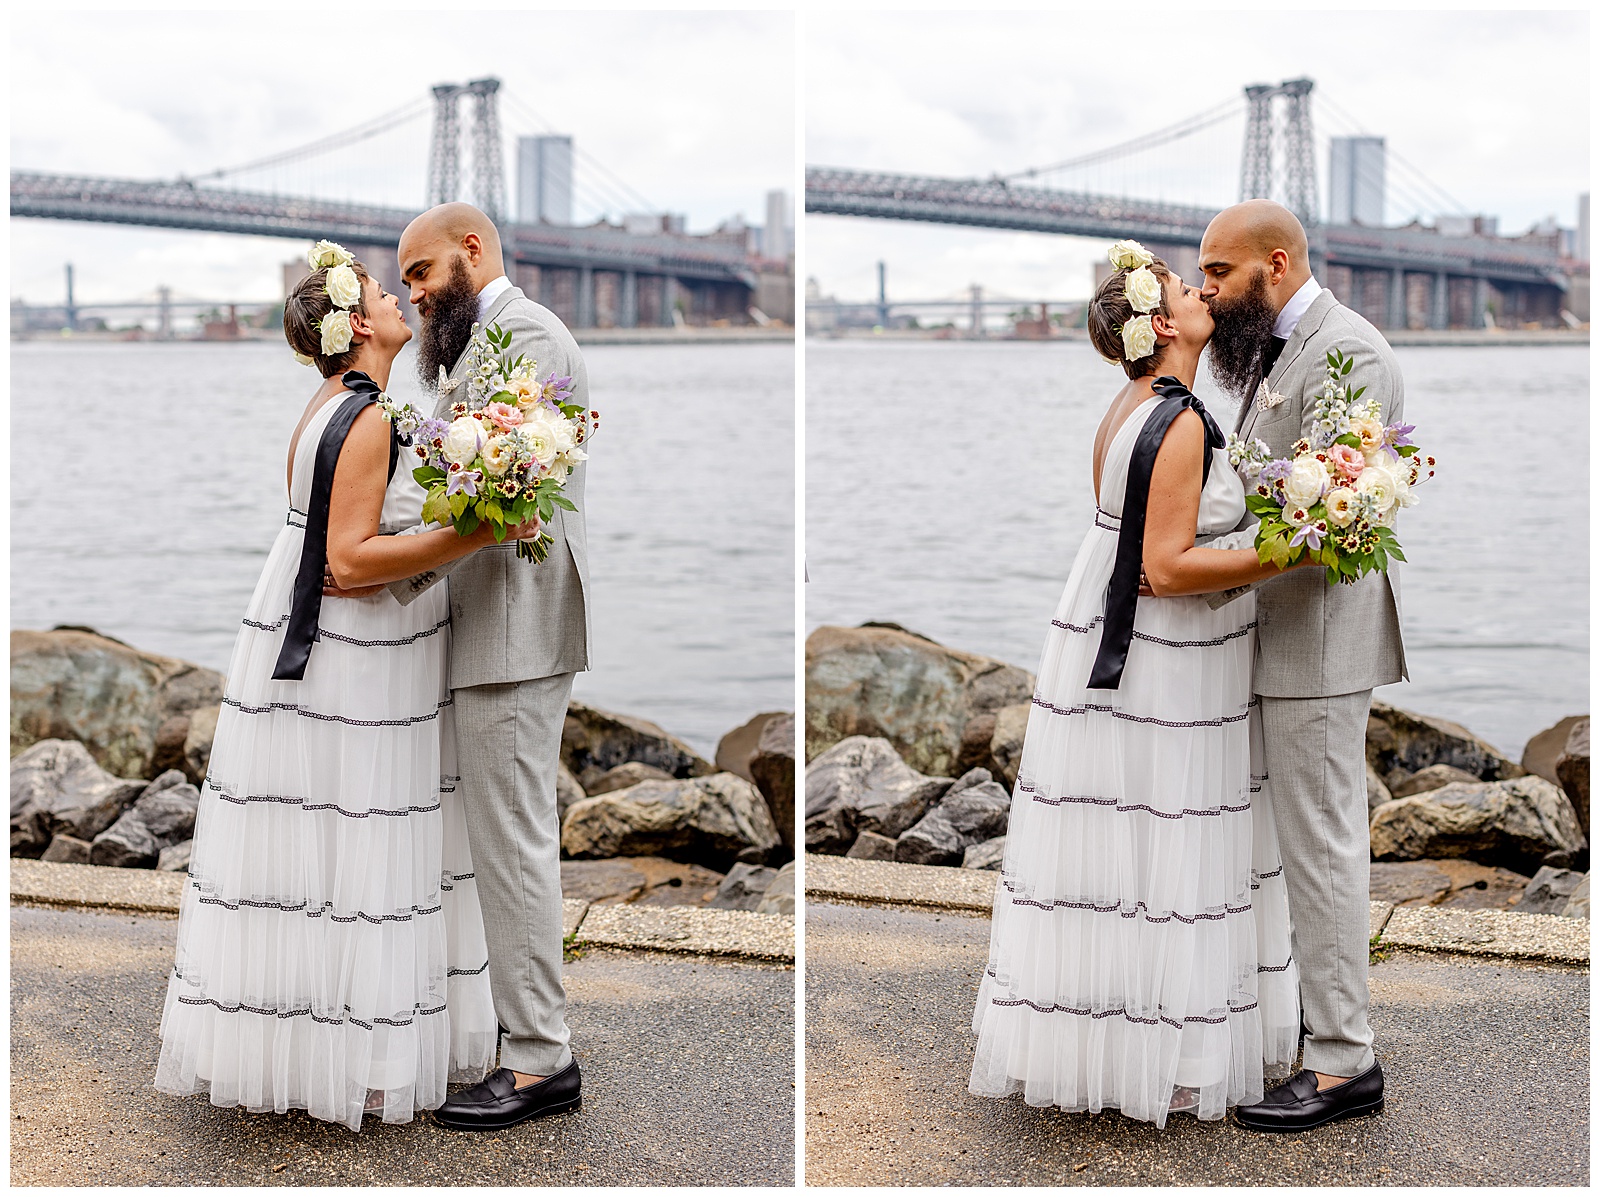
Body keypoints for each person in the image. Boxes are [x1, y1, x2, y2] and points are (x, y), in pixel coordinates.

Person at [155, 247, 534, 1131]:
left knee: (315, 839)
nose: (402, 298)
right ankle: (361, 1058)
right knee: (362, 837)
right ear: (358, 325)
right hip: (353, 655)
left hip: (305, 641)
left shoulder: (325, 407)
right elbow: (350, 562)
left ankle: (312, 1045)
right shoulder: (365, 419)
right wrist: (477, 532)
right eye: (381, 291)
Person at [968, 241, 1304, 1128]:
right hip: (1171, 654)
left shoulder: (1125, 407)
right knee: (1177, 836)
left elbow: (1120, 537)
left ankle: (1119, 1038)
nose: (1205, 294)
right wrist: (1289, 551)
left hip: (1107, 635)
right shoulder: (1183, 420)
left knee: (1125, 836)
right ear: (1161, 325)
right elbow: (1164, 563)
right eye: (1190, 290)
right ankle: (1181, 1059)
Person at [384, 203, 591, 1131]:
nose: (413, 292)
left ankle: (542, 1060)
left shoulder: (528, 334)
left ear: (473, 250)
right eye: (405, 280)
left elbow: (505, 498)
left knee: (512, 846)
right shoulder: (480, 339)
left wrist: (378, 569)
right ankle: (520, 1034)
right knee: (505, 839)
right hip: (488, 619)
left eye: (423, 271)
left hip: (513, 624)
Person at [1201, 199, 1405, 1132]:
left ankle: (1341, 1063)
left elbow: (1336, 518)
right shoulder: (1258, 345)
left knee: (1322, 851)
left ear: (1274, 265)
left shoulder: (1350, 350)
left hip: (1316, 643)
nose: (1206, 289)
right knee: (1290, 849)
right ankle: (1301, 1023)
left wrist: (1195, 560)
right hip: (1261, 630)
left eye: (1218, 272)